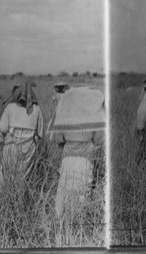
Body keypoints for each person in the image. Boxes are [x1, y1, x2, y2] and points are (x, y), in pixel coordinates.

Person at [49, 87, 105, 218]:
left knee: (65, 187)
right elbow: (99, 140)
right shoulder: (92, 118)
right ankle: (79, 219)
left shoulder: (66, 116)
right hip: (85, 158)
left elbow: (57, 138)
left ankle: (61, 217)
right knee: (82, 190)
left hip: (68, 157)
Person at [0, 79, 43, 187]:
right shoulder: (36, 109)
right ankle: (18, 199)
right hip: (28, 149)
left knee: (5, 176)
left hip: (10, 146)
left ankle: (3, 200)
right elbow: (39, 134)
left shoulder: (10, 107)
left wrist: (1, 145)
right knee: (22, 178)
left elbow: (1, 130)